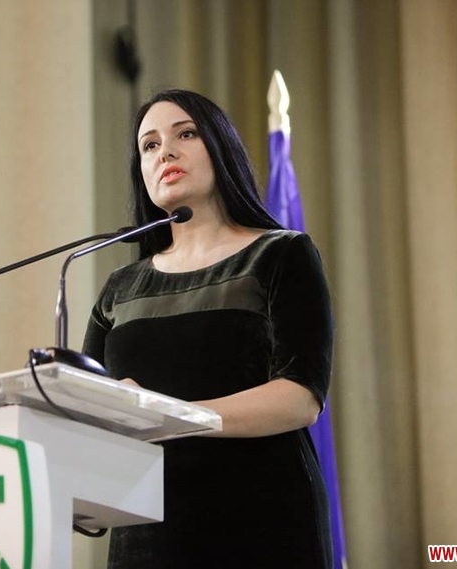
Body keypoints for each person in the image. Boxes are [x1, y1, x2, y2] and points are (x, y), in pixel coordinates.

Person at [82, 89, 334, 568]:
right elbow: (90, 408)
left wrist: (169, 415)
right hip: (148, 532)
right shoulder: (120, 288)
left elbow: (300, 397)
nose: (166, 152)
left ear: (220, 147)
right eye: (150, 145)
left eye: (186, 134)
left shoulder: (281, 255)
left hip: (262, 518)